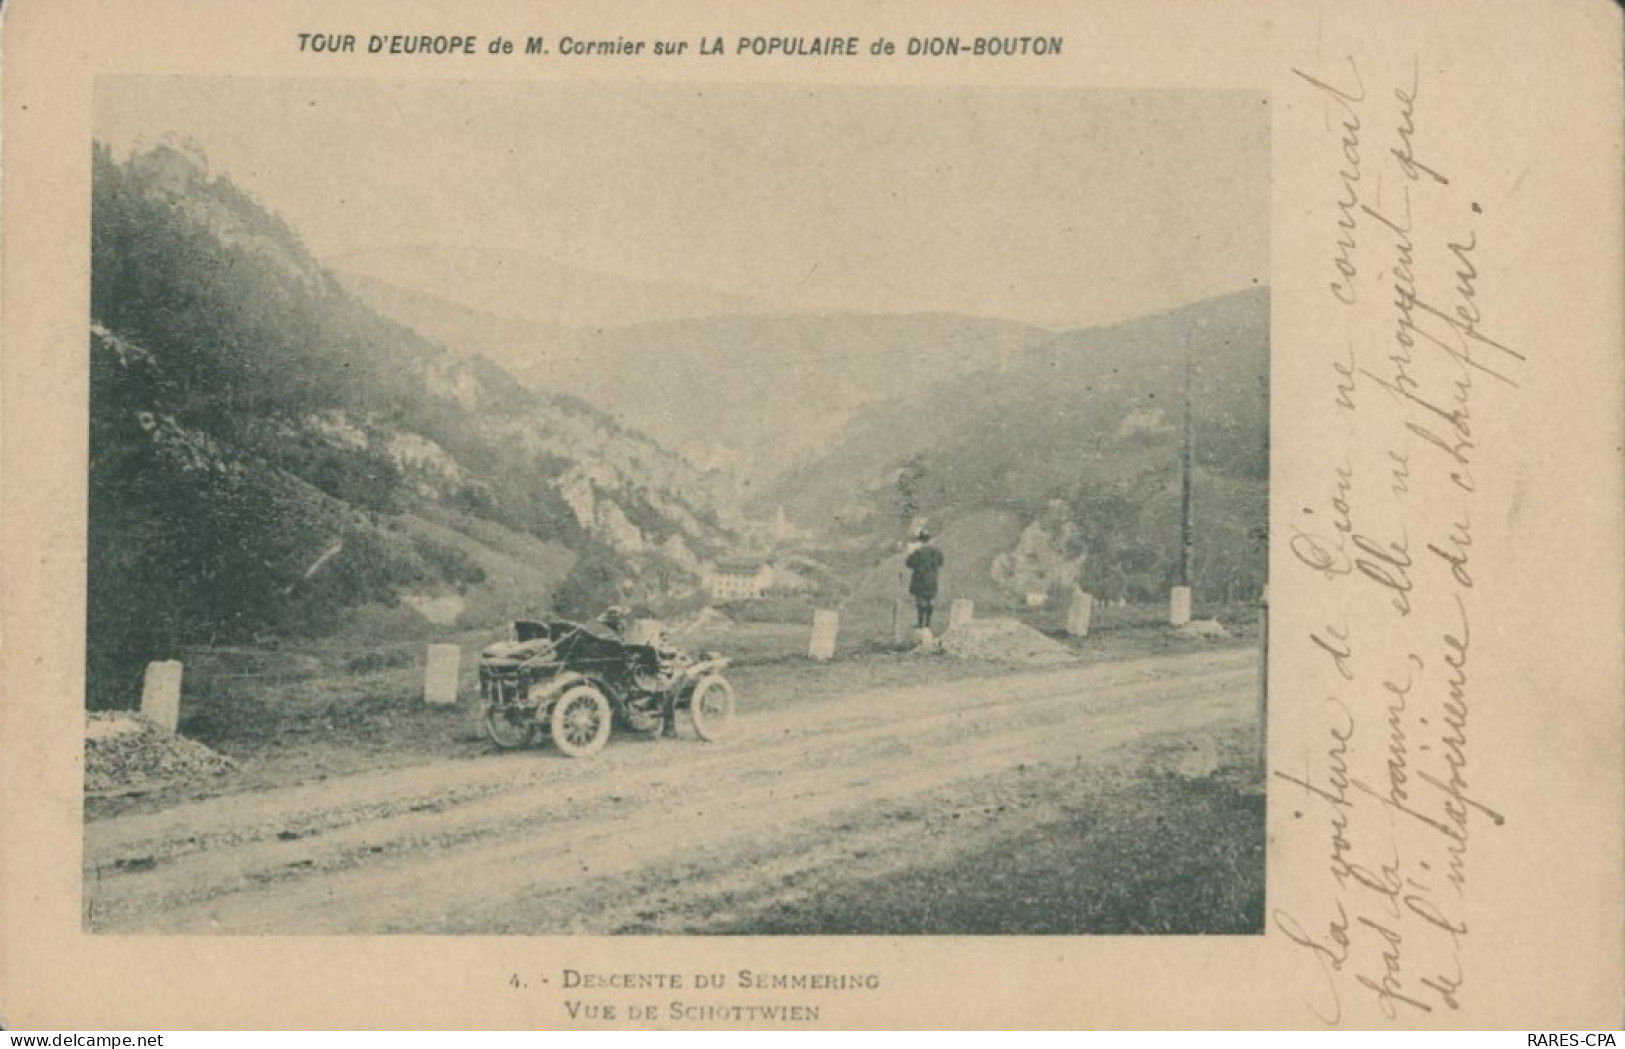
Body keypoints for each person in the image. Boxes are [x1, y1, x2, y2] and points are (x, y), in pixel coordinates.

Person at [905, 530, 945, 630]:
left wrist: (910, 553)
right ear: (930, 539)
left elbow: (909, 563)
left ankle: (920, 623)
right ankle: (927, 623)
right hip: (932, 580)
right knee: (930, 600)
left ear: (920, 540)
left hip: (919, 580)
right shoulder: (936, 552)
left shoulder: (918, 552)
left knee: (920, 601)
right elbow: (940, 562)